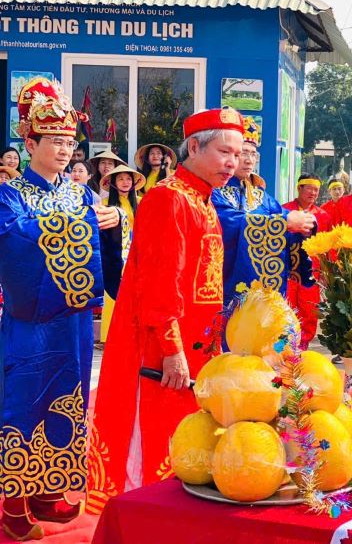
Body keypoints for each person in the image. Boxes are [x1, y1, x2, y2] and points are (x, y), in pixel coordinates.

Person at [87, 108, 246, 513]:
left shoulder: (205, 201)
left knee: (185, 442)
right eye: (224, 151)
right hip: (160, 352)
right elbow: (160, 283)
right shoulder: (168, 198)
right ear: (194, 146)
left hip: (196, 347)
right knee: (154, 444)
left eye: (238, 153)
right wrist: (172, 350)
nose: (232, 162)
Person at [0, 77, 121, 540]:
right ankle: (12, 504)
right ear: (29, 142)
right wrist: (89, 220)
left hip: (71, 321)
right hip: (32, 321)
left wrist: (111, 223)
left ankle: (49, 489)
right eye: (54, 141)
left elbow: (96, 242)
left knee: (69, 397)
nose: (65, 150)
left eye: (70, 142)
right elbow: (17, 240)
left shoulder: (79, 193)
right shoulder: (9, 193)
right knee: (25, 401)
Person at [211, 115, 315, 305]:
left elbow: (281, 217)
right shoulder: (215, 191)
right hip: (223, 284)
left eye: (253, 154)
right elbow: (226, 221)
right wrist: (284, 222)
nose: (249, 160)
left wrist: (302, 227)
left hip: (260, 291)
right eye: (243, 153)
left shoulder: (260, 196)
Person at [283, 173, 332, 350]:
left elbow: (327, 247)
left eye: (316, 190)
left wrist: (327, 271)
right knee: (285, 308)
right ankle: (283, 348)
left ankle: (302, 348)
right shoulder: (285, 211)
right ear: (299, 188)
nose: (313, 193)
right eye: (309, 188)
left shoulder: (323, 216)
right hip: (288, 271)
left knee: (309, 311)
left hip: (312, 273)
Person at [98, 165, 145, 342]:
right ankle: (110, 336)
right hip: (114, 257)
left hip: (138, 254)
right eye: (120, 179)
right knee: (112, 296)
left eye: (128, 179)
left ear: (133, 182)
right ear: (113, 183)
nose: (125, 182)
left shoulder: (142, 202)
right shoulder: (105, 205)